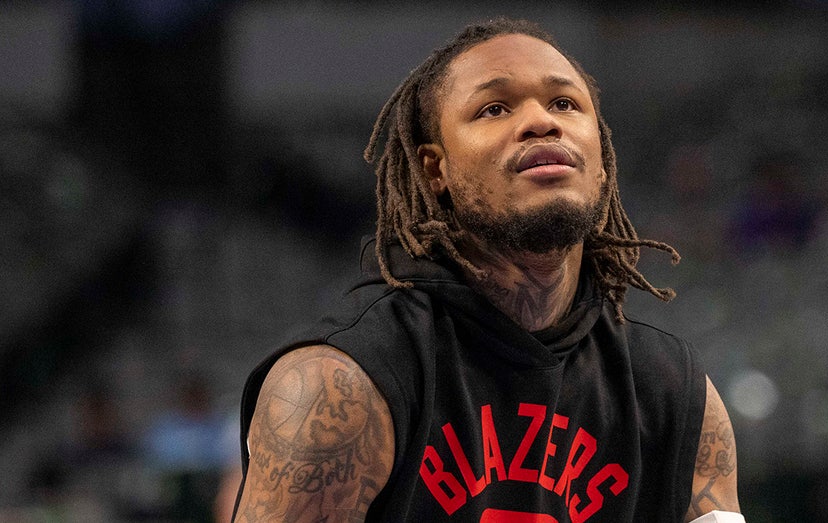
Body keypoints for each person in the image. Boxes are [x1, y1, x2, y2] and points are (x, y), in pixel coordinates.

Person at [232, 18, 742, 522]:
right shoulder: (340, 389)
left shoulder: (673, 391)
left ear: (603, 162)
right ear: (436, 169)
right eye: (494, 108)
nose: (541, 121)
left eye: (564, 103)